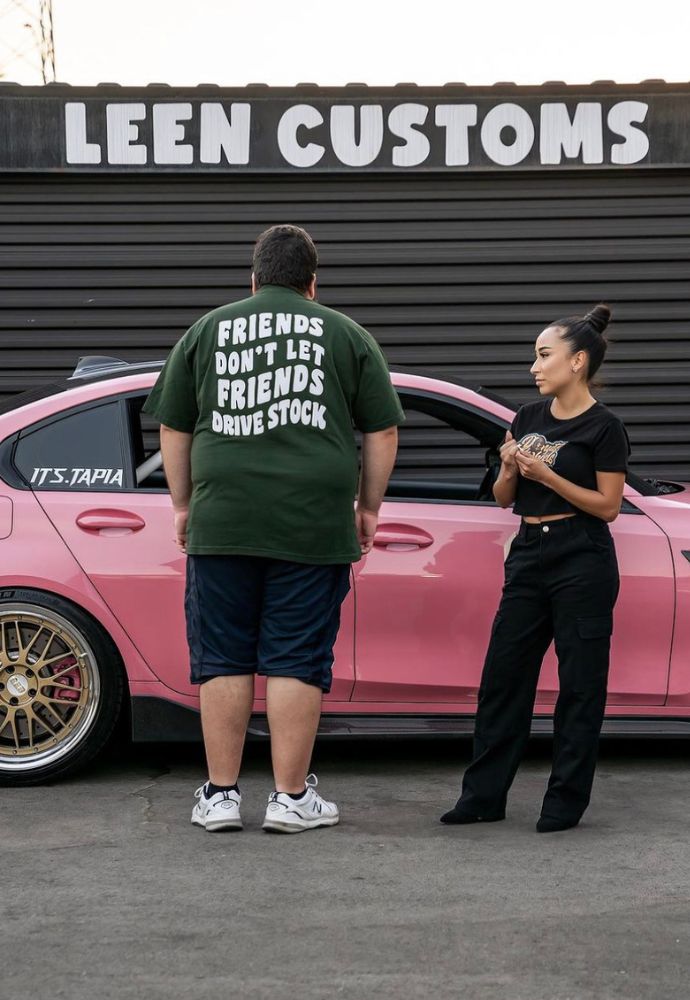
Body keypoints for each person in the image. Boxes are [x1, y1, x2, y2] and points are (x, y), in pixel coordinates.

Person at [143, 224, 403, 834]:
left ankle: (221, 796)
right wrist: (368, 509)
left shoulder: (208, 329)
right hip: (313, 525)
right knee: (296, 659)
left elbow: (174, 427)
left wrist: (183, 505)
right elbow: (383, 429)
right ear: (312, 284)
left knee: (223, 656)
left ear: (254, 279)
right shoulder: (347, 334)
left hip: (223, 520)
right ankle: (289, 800)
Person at [441, 304, 630, 833]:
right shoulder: (526, 418)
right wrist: (507, 469)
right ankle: (482, 797)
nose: (534, 366)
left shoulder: (605, 427)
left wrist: (546, 474)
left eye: (544, 355)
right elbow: (504, 499)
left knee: (579, 685)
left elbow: (608, 505)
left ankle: (564, 803)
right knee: (504, 677)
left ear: (578, 362)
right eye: (535, 356)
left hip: (582, 555)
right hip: (528, 552)